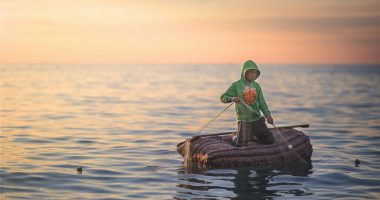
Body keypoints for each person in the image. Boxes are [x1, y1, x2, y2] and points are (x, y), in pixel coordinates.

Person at [220, 60, 274, 146]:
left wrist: (268, 115)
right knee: (240, 145)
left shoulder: (257, 86)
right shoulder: (236, 85)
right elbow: (223, 97)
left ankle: (254, 135)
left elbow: (262, 102)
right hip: (244, 120)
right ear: (245, 72)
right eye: (251, 72)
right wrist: (232, 98)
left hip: (257, 119)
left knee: (270, 140)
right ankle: (234, 136)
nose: (253, 75)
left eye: (255, 73)